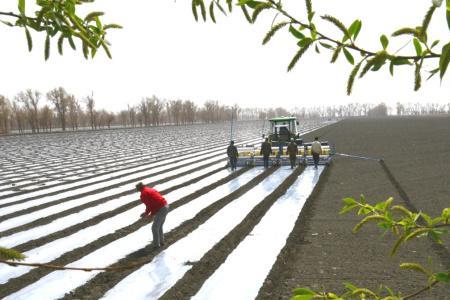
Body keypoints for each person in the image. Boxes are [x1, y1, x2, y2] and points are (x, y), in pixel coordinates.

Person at [136, 182, 169, 249]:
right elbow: (150, 205)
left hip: (160, 208)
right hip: (165, 206)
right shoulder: (149, 189)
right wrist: (146, 213)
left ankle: (156, 245)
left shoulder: (144, 194)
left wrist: (151, 215)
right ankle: (161, 242)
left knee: (154, 228)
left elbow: (151, 205)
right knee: (159, 226)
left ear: (139, 189)